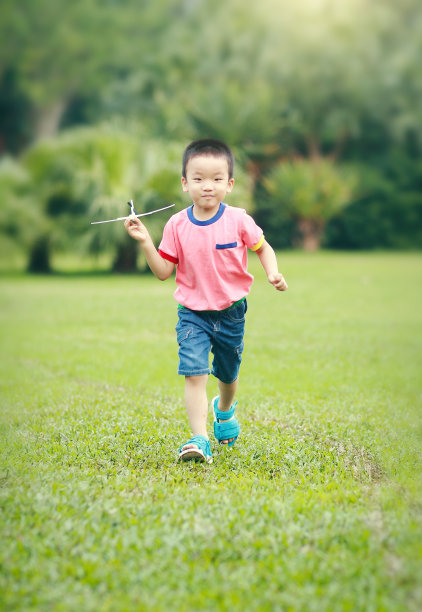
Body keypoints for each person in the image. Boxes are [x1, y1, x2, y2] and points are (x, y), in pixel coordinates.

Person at [125, 138, 288, 463]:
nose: (207, 186)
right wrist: (146, 243)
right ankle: (200, 439)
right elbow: (162, 271)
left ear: (229, 184)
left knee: (227, 375)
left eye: (216, 179)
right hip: (192, 314)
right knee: (195, 374)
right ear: (185, 183)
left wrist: (273, 272)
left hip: (231, 313)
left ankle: (224, 410)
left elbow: (262, 248)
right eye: (198, 179)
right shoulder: (177, 225)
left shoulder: (238, 219)